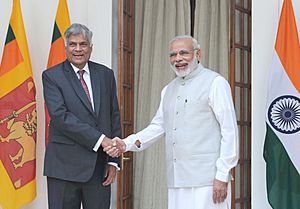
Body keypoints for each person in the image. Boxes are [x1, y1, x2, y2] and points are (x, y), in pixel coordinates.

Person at [105, 35, 239, 209]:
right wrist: (126, 143)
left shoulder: (216, 83)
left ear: (198, 54)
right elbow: (158, 126)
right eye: (173, 55)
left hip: (208, 180)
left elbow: (229, 131)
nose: (178, 59)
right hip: (177, 179)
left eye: (183, 53)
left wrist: (222, 175)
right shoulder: (168, 89)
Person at [42, 23, 121, 209]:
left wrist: (113, 160)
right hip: (63, 168)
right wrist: (101, 140)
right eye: (73, 44)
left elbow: (114, 116)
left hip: (98, 168)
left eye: (83, 44)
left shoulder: (106, 74)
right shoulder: (52, 76)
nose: (78, 49)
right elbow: (61, 117)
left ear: (91, 48)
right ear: (66, 47)